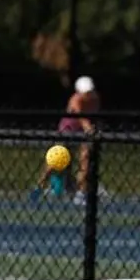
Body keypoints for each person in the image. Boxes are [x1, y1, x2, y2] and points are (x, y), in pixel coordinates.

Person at [32, 75, 101, 205]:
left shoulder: (95, 99)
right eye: (86, 92)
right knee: (55, 161)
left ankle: (81, 193)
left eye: (90, 91)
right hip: (68, 131)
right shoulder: (75, 100)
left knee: (85, 160)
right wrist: (89, 128)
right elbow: (82, 118)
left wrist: (93, 129)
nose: (89, 95)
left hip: (84, 133)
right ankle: (39, 186)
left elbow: (94, 117)